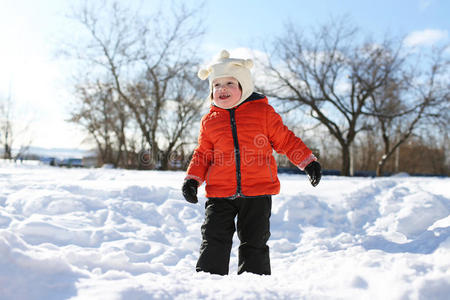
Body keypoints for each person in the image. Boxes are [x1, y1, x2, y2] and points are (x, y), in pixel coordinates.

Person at [182, 50, 321, 276]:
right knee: (213, 238)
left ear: (244, 86)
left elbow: (285, 139)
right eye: (216, 85)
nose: (222, 89)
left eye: (229, 83)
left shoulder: (262, 112)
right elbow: (203, 154)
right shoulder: (210, 121)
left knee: (254, 242)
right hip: (220, 194)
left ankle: (254, 285)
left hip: (257, 192)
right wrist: (192, 179)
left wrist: (308, 162)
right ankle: (208, 283)